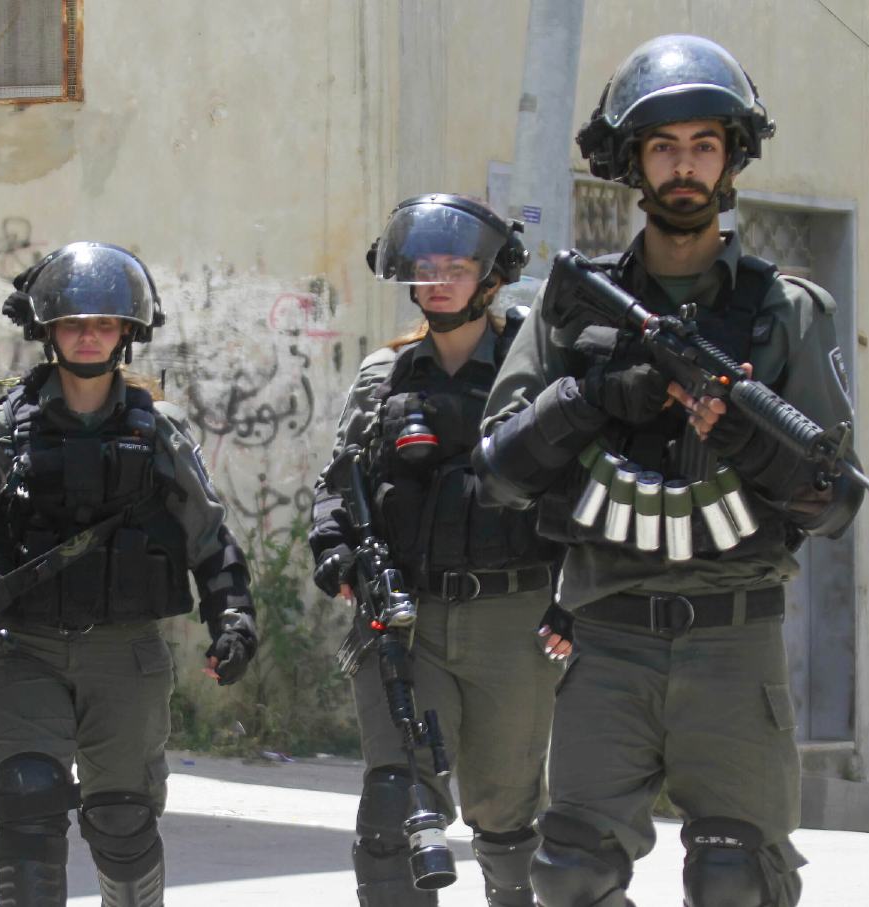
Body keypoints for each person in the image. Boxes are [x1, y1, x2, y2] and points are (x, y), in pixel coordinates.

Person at [474, 35, 866, 907]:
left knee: (736, 881)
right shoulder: (572, 308)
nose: (683, 166)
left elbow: (835, 500)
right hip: (607, 630)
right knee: (569, 871)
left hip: (735, 634)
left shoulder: (786, 312)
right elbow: (498, 470)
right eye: (662, 146)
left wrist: (745, 440)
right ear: (631, 163)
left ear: (729, 159)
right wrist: (599, 397)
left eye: (702, 145)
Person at [0, 242, 259, 907]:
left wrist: (232, 617)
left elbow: (210, 534)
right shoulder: (6, 429)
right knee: (27, 804)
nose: (88, 334)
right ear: (47, 330)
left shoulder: (159, 431)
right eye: (72, 321)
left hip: (124, 651)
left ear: (127, 333)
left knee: (122, 817)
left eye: (104, 322)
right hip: (22, 645)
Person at [309, 195, 564, 907]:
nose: (441, 280)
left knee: (508, 816)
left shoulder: (533, 372)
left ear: (490, 276)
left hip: (512, 619)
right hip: (406, 617)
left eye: (458, 266)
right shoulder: (383, 377)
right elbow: (337, 483)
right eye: (427, 267)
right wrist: (336, 550)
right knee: (396, 806)